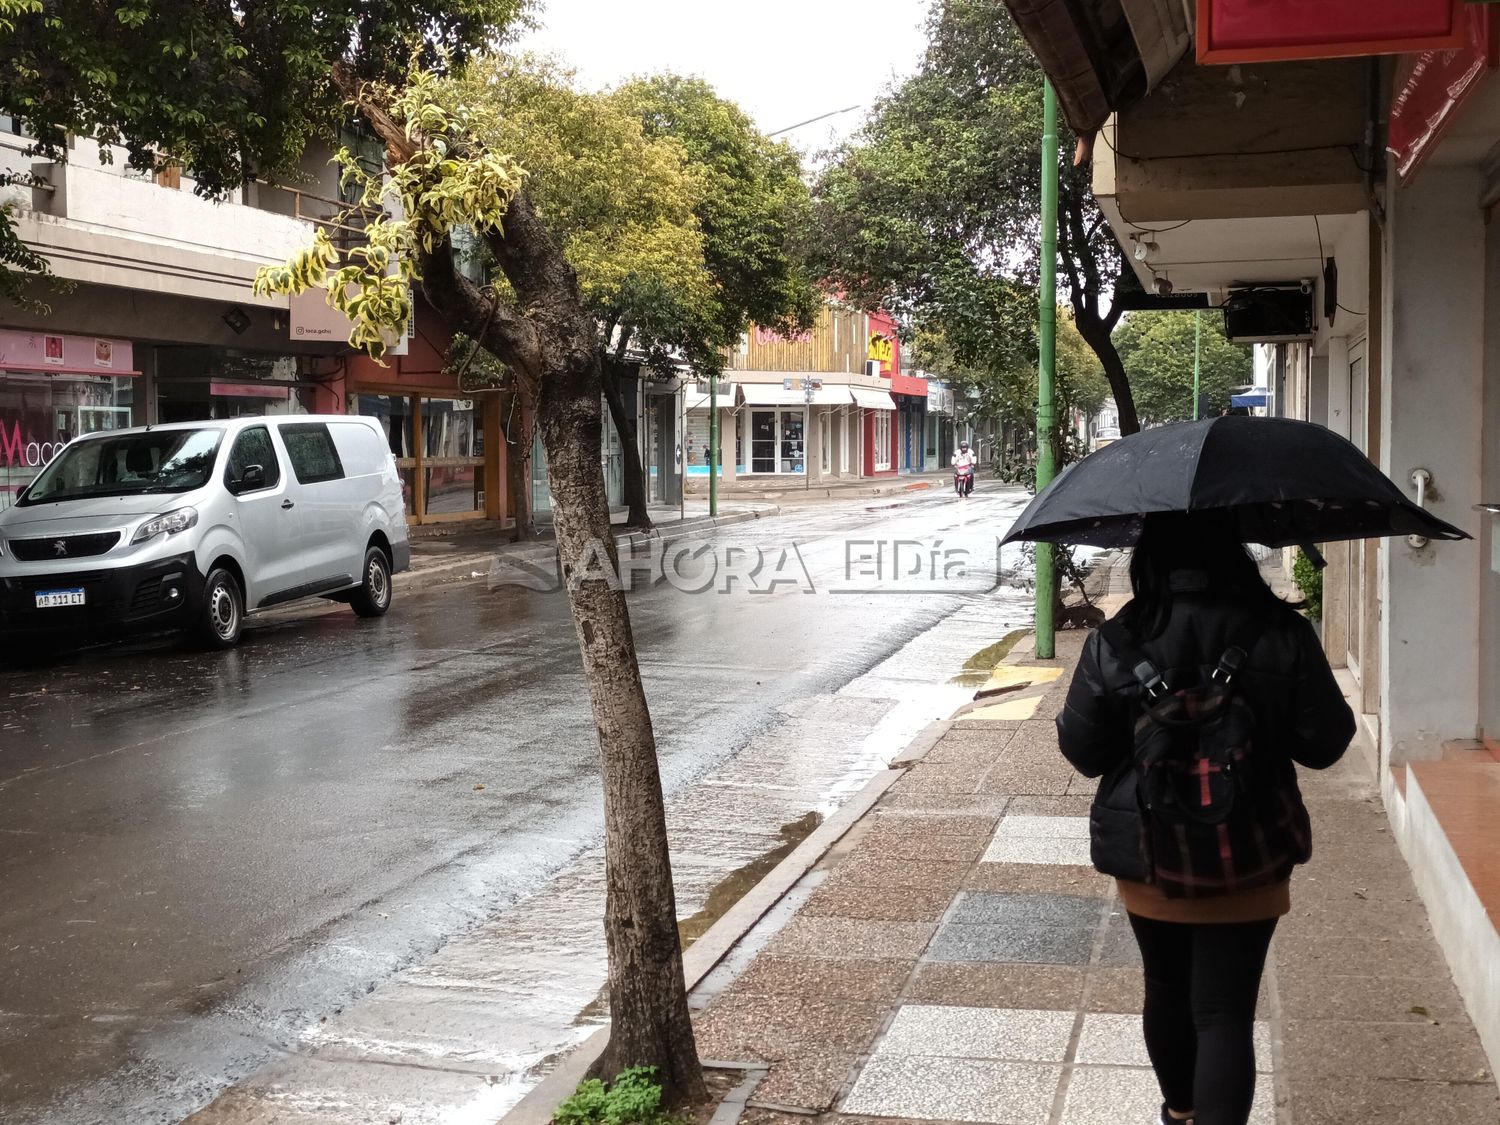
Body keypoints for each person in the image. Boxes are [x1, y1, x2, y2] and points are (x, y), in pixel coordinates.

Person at [1056, 512, 1355, 1125]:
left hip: (1147, 849)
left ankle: (1180, 1115)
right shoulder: (1282, 633)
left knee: (1165, 987)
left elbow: (1084, 754)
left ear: (1149, 557)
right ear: (1235, 551)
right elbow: (1325, 744)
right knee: (1225, 1011)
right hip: (1252, 846)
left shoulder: (1116, 641)